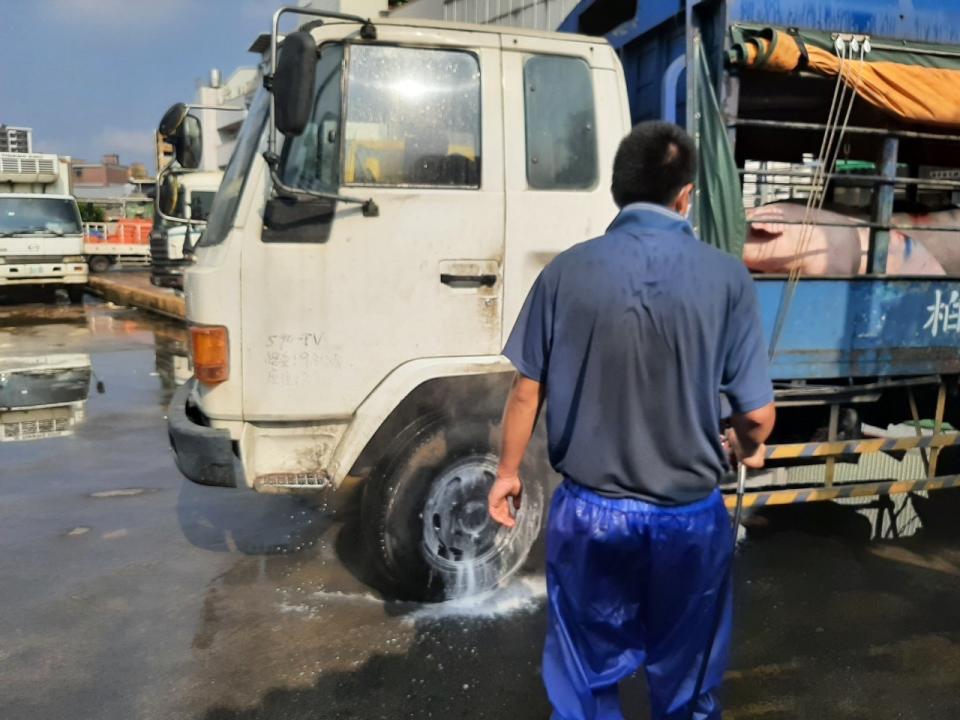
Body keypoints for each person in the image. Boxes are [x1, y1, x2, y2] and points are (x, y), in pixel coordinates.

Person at [488, 121, 776, 720]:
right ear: (686, 195)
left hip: (591, 516)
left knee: (584, 676)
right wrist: (747, 444)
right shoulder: (728, 278)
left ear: (618, 190)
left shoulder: (565, 273)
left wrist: (507, 472)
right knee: (688, 677)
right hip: (688, 520)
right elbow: (756, 415)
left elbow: (525, 392)